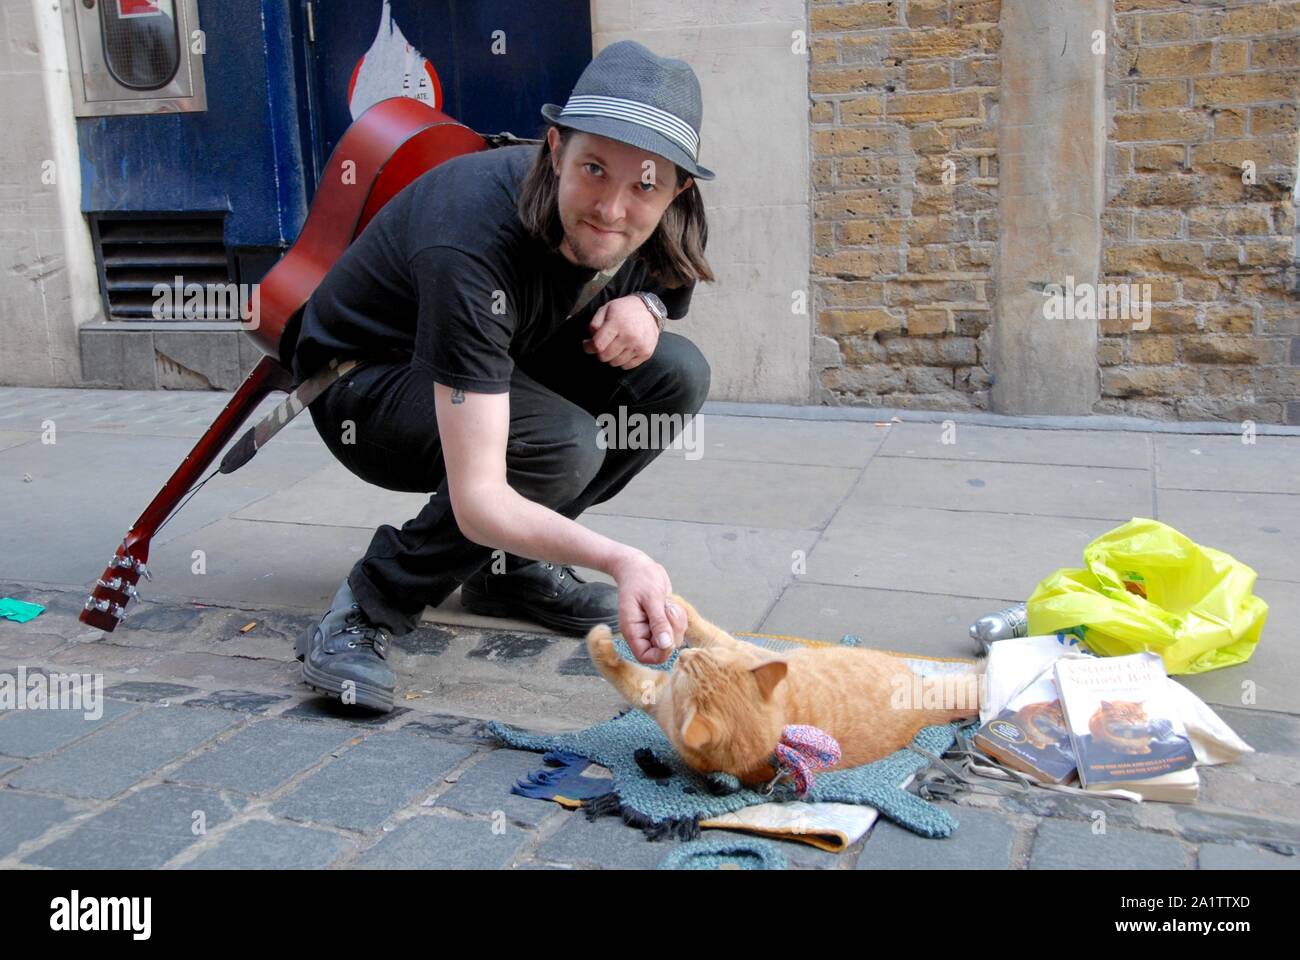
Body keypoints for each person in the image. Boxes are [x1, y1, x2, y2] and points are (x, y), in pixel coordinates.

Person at [290, 40, 716, 711]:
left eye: (645, 186)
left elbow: (670, 278)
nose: (612, 208)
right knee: (557, 446)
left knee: (674, 376)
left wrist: (651, 306)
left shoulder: (666, 209)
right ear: (556, 148)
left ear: (677, 189)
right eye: (594, 169)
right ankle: (368, 605)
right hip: (363, 385)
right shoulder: (472, 239)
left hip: (502, 355)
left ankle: (508, 572)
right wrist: (620, 559)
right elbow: (480, 496)